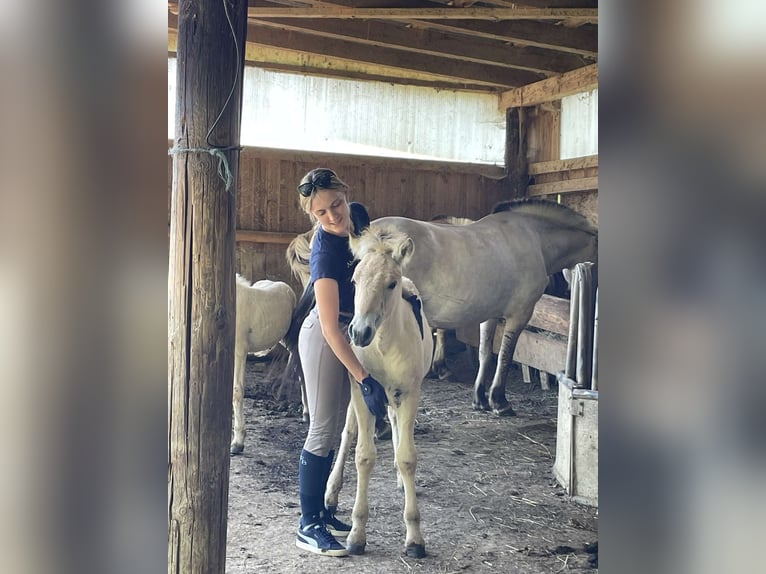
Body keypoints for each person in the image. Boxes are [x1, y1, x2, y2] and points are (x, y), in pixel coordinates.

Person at [292, 168, 388, 557]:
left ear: (347, 195)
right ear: (312, 216)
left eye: (336, 204)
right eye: (321, 213)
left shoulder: (360, 217)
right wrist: (364, 378)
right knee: (322, 428)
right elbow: (331, 328)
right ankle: (308, 524)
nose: (333, 216)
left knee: (333, 431)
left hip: (354, 332)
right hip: (324, 336)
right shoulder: (325, 252)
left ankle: (322, 514)